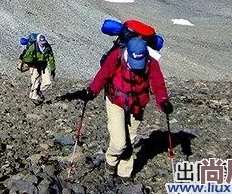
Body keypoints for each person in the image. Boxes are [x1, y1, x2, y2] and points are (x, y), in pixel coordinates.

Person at [70, 36, 173, 182]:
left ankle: (125, 171)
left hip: (137, 103)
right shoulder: (117, 56)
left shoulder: (151, 62)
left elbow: (157, 84)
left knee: (130, 138)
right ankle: (111, 159)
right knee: (119, 142)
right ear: (128, 54)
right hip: (115, 100)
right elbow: (103, 75)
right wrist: (92, 91)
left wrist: (163, 102)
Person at [19, 33, 56, 105]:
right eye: (41, 43)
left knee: (48, 82)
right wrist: (33, 61)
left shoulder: (47, 47)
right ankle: (33, 97)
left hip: (43, 66)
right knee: (35, 82)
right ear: (38, 41)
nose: (43, 44)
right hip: (34, 66)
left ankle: (38, 90)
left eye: (44, 43)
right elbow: (26, 57)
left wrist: (53, 69)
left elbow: (51, 58)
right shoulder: (33, 47)